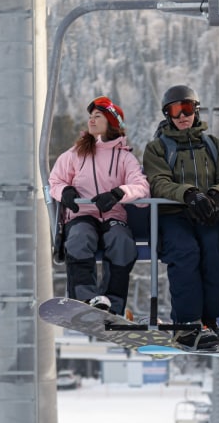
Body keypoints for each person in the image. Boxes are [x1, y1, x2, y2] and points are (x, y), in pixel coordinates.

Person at [142, 85, 219, 349]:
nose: (182, 116)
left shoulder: (213, 145)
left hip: (207, 212)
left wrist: (217, 195)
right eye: (176, 111)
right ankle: (186, 323)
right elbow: (158, 181)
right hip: (173, 214)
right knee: (185, 253)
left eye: (187, 109)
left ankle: (208, 321)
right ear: (167, 115)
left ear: (196, 110)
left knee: (214, 256)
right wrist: (188, 194)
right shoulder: (158, 148)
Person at [49, 96, 151, 317]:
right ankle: (84, 299)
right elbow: (55, 181)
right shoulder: (75, 154)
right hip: (82, 214)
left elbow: (141, 188)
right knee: (79, 237)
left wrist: (118, 194)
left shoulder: (124, 158)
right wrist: (65, 192)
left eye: (98, 116)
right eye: (90, 117)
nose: (91, 121)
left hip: (112, 214)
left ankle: (113, 305)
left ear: (111, 123)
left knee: (122, 242)